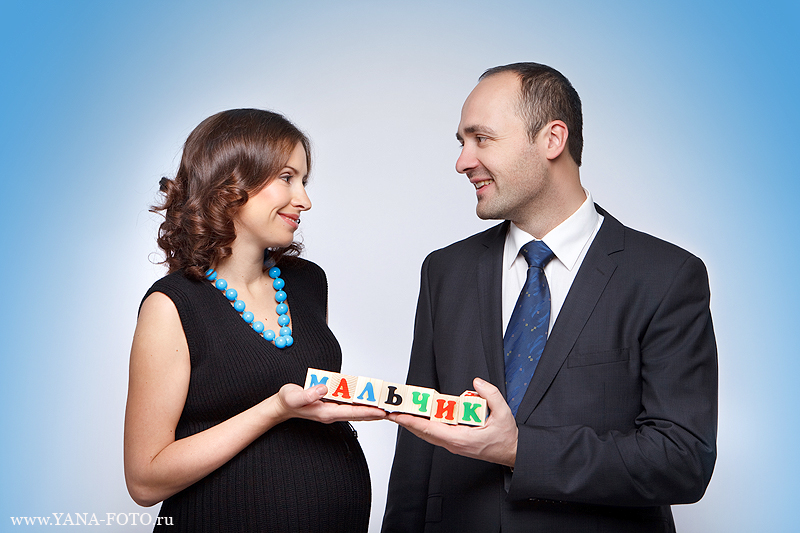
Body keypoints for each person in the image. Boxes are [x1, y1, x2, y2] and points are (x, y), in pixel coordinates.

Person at [382, 63, 718, 532]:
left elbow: (682, 460)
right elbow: (416, 451)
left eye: (482, 139)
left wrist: (519, 450)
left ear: (553, 139)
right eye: (462, 142)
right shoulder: (445, 271)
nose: (463, 162)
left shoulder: (665, 277)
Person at [124, 109, 385, 532]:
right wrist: (275, 409)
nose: (304, 200)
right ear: (230, 184)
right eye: (287, 178)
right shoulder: (172, 305)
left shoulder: (308, 282)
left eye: (304, 181)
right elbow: (144, 480)